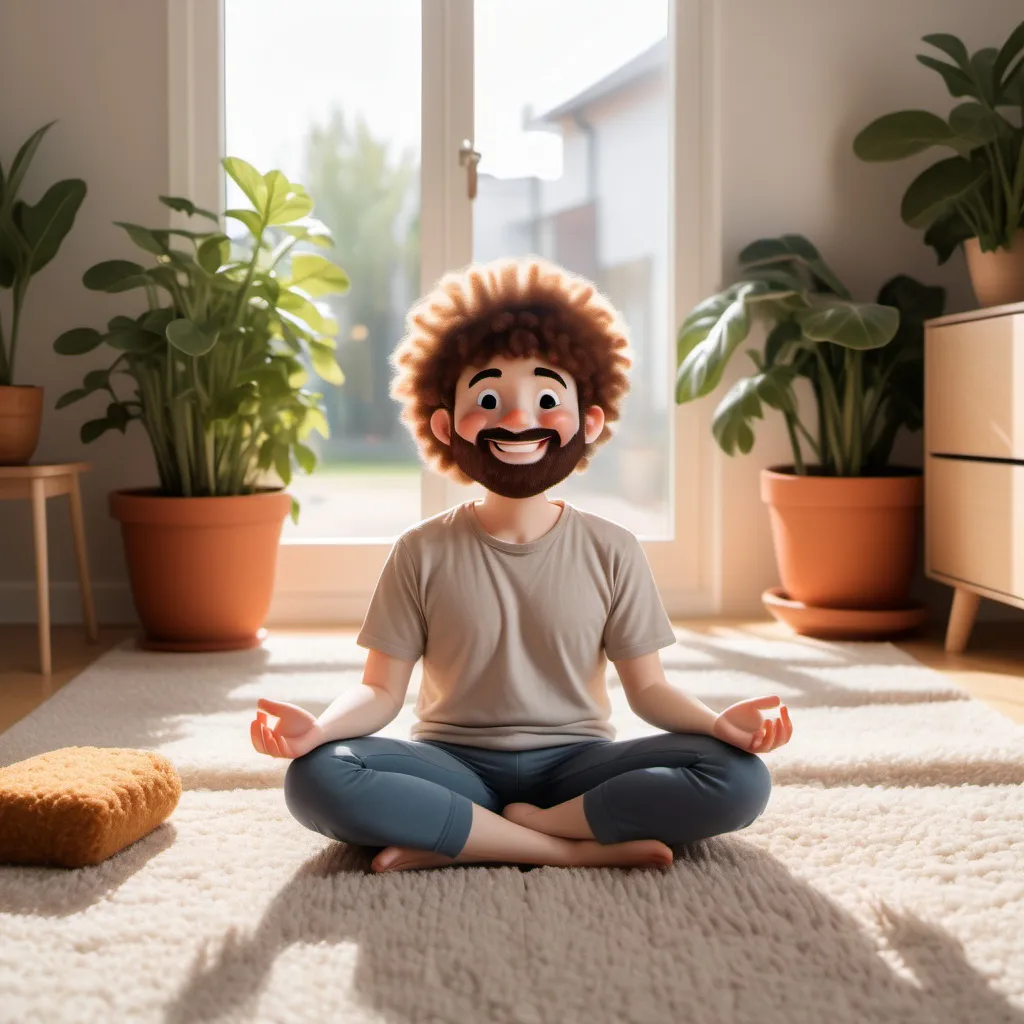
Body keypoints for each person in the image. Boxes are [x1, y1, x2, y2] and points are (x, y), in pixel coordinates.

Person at [250, 257, 793, 874]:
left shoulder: (613, 548)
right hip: (452, 768)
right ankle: (563, 850)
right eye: (489, 398)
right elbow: (379, 690)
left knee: (739, 777)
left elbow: (650, 690)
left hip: (578, 771)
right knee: (315, 778)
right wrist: (317, 732)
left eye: (543, 397)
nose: (517, 419)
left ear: (588, 422)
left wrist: (721, 727)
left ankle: (471, 840)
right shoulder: (419, 550)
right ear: (446, 425)